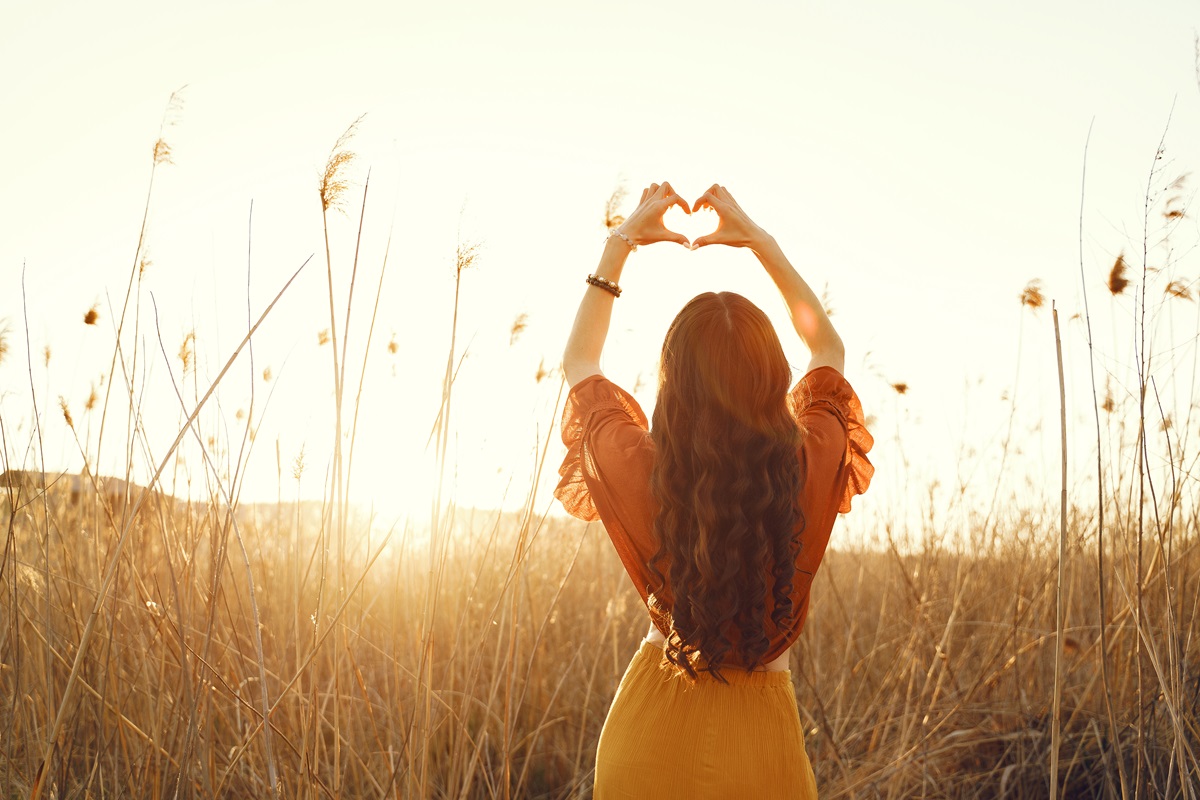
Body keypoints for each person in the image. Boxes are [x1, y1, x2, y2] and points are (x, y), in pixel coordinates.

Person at [555, 182, 874, 799]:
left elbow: (580, 362)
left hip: (650, 732)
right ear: (774, 377)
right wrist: (761, 243)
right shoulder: (806, 462)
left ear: (673, 386)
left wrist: (620, 245)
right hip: (762, 748)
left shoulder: (646, 470)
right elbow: (827, 348)